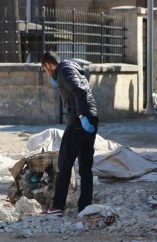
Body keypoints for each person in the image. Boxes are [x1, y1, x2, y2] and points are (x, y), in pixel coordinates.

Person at [41, 51, 99, 216]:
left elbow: (79, 91)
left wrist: (81, 116)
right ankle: (85, 206)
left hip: (78, 123)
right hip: (92, 119)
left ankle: (58, 205)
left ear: (49, 65)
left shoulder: (64, 71)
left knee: (64, 164)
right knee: (86, 167)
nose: (47, 74)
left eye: (46, 70)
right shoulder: (72, 66)